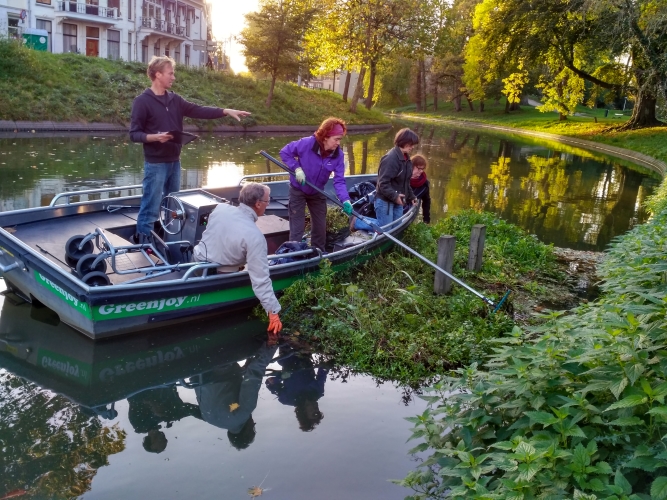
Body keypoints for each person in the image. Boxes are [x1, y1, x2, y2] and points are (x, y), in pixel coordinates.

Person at [129, 55, 251, 240]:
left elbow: (199, 110)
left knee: (173, 206)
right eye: (170, 73)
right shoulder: (142, 101)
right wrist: (155, 137)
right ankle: (143, 243)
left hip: (174, 162)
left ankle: (168, 242)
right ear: (158, 74)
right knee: (151, 206)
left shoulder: (175, 100)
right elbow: (134, 134)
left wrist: (225, 111)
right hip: (155, 164)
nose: (173, 77)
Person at [193, 182, 282, 334]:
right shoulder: (255, 237)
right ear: (258, 204)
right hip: (218, 273)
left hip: (196, 263)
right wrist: (273, 311)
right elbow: (260, 279)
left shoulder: (220, 209)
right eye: (267, 200)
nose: (268, 204)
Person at [279, 117, 353, 252]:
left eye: (340, 139)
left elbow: (339, 180)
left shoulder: (338, 155)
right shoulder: (307, 144)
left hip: (317, 191)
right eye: (336, 139)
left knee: (320, 227)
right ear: (325, 136)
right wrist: (296, 168)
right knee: (297, 227)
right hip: (298, 190)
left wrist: (345, 200)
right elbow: (285, 152)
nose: (338, 143)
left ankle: (318, 255)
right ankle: (294, 256)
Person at [195, 342, 278, 450]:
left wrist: (271, 346)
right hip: (197, 369)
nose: (253, 422)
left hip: (220, 360)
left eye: (253, 427)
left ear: (248, 430)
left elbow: (254, 374)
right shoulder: (210, 419)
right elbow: (227, 398)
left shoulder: (243, 413)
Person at [375, 128, 420, 228]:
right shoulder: (390, 159)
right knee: (385, 229)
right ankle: (357, 222)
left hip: (399, 200)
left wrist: (412, 196)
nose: (413, 147)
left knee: (396, 227)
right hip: (384, 200)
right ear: (403, 141)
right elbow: (383, 183)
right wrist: (395, 196)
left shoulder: (406, 158)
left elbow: (406, 182)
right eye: (411, 144)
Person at [408, 154, 431, 224]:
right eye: (419, 168)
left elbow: (426, 201)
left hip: (408, 209)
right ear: (411, 167)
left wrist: (426, 219)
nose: (421, 171)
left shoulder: (424, 184)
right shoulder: (402, 177)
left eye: (423, 169)